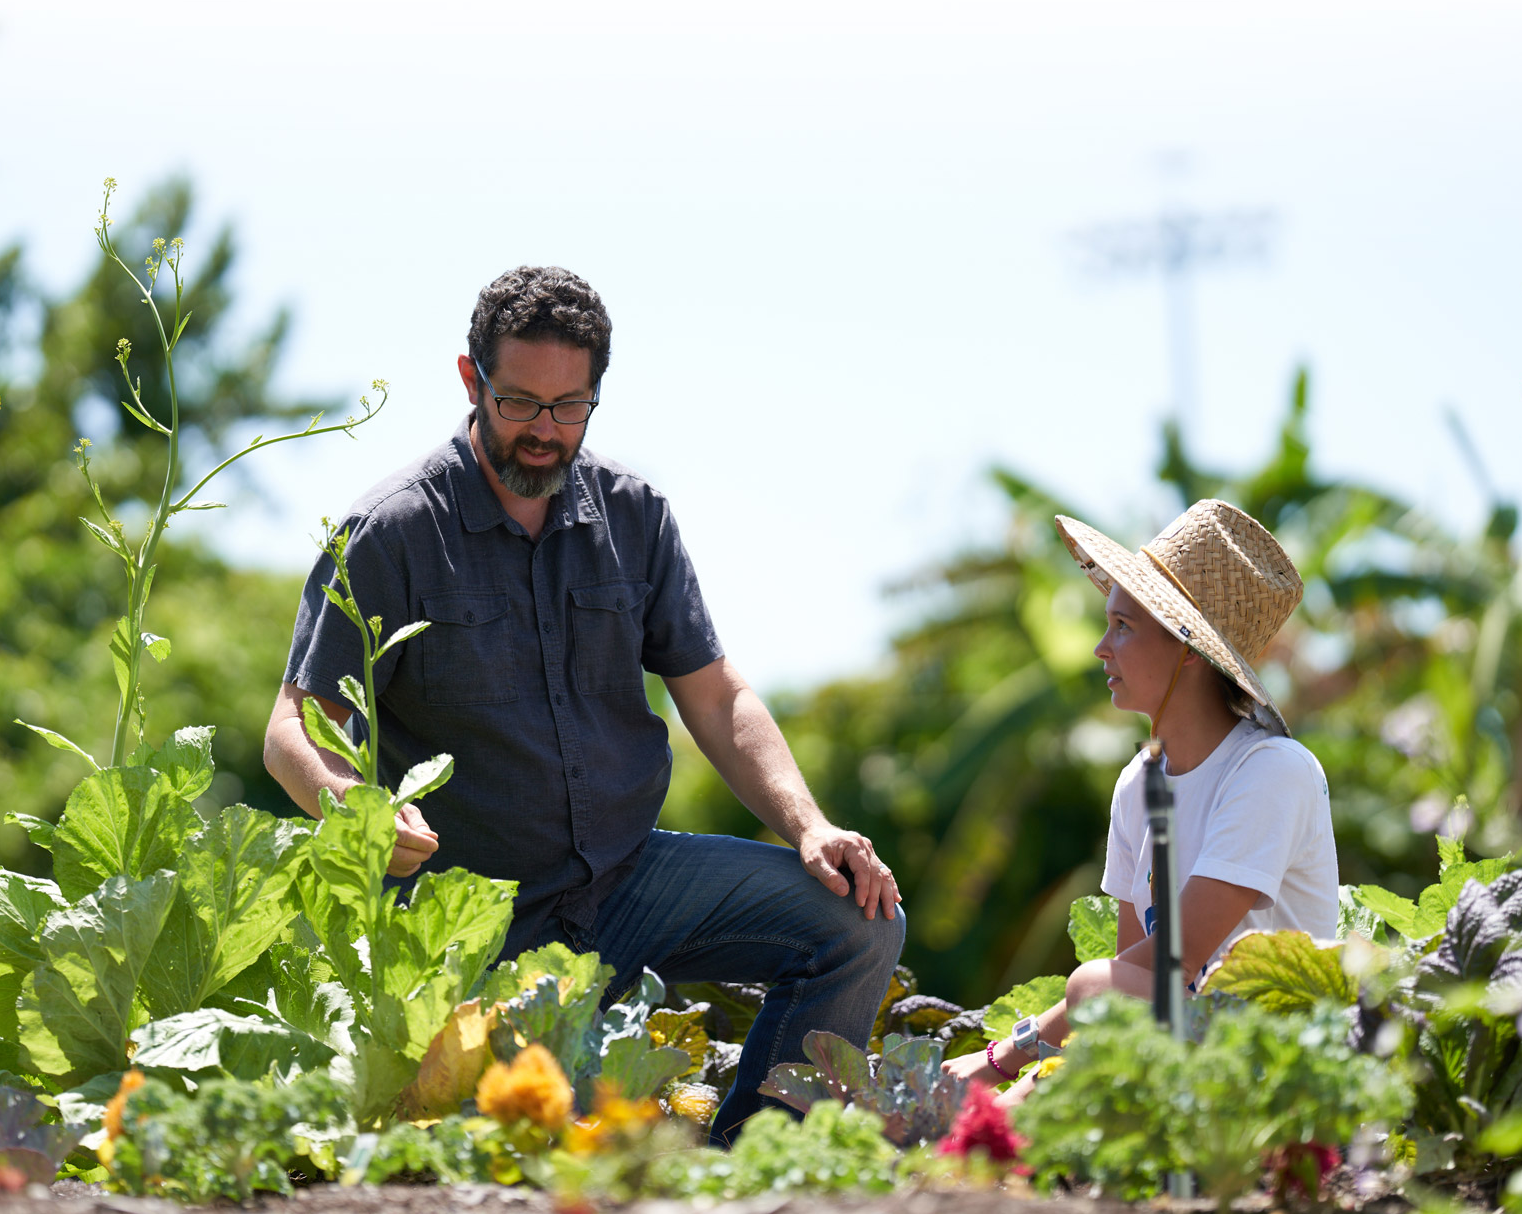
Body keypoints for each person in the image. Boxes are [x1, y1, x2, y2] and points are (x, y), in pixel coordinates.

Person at [264, 265, 905, 1141]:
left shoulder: (634, 515)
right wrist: (353, 804)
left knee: (856, 922)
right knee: (548, 1137)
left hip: (629, 881)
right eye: (520, 403)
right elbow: (293, 730)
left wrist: (808, 825)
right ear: (470, 381)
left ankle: (751, 1173)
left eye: (570, 408)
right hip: (480, 922)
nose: (543, 431)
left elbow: (716, 696)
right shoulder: (393, 533)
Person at [947, 499, 1337, 1090]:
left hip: (1279, 1065)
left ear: (1188, 647)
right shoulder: (1138, 784)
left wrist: (1007, 1059)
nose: (1102, 648)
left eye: (1123, 627)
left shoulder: (1272, 772)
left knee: (1089, 985)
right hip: (1186, 1050)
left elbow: (1160, 967)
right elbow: (1128, 999)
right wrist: (1021, 1087)